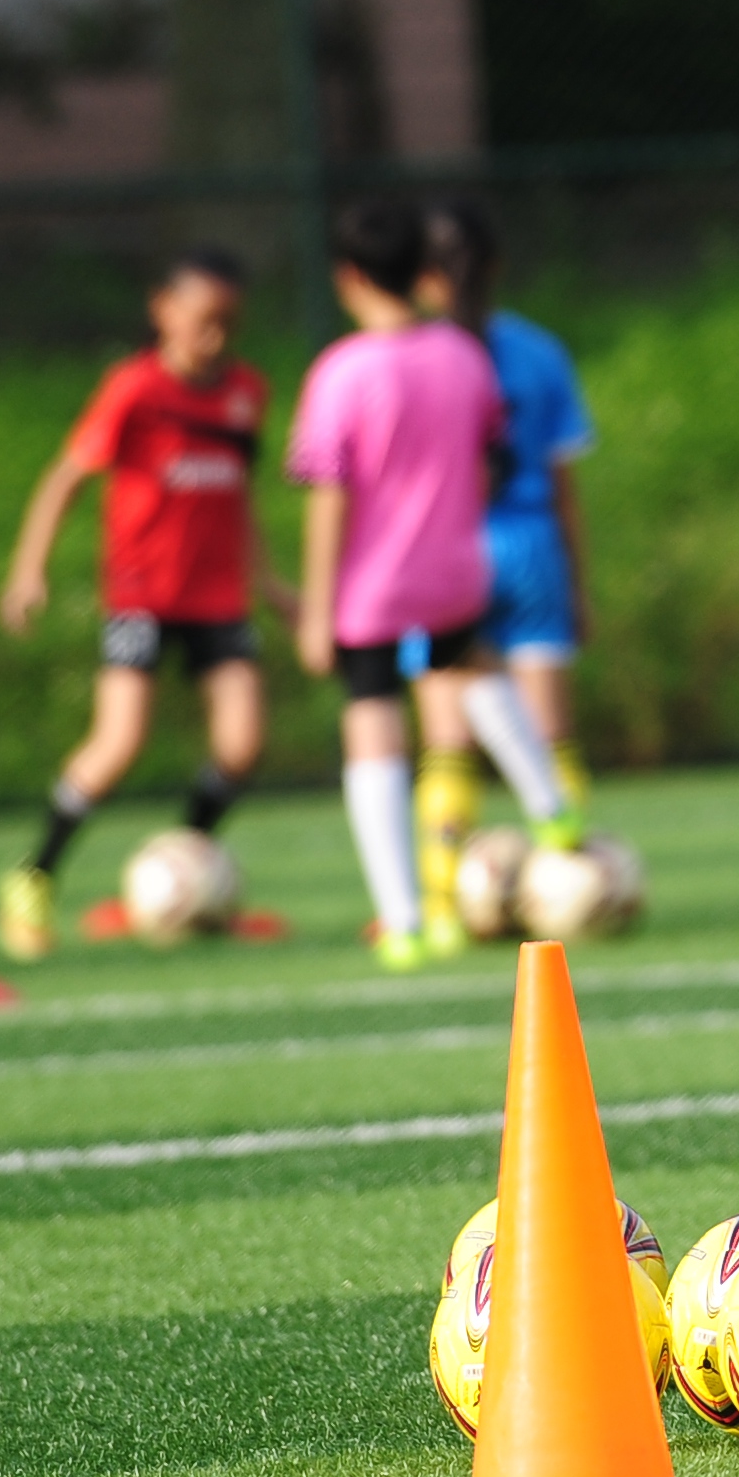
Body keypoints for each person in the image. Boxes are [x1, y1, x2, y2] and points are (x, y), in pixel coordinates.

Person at [286, 197, 558, 972]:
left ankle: (405, 922)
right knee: (474, 671)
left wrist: (317, 608)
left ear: (346, 278)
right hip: (453, 571)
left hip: (373, 588)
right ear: (424, 272)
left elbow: (329, 496)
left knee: (374, 729)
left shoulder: (341, 372)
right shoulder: (462, 357)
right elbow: (487, 455)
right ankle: (553, 809)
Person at [0, 247, 278, 962]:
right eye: (204, 320)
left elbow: (238, 496)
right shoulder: (135, 390)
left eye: (230, 322)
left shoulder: (246, 393)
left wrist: (270, 581)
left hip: (217, 599)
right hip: (143, 596)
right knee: (118, 743)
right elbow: (67, 478)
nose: (217, 336)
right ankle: (35, 875)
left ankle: (185, 868)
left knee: (242, 743)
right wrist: (29, 570)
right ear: (163, 311)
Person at [407, 197, 600, 942]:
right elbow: (563, 485)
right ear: (496, 267)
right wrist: (579, 583)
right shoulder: (538, 353)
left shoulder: (410, 361)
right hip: (529, 546)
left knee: (448, 739)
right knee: (549, 732)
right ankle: (569, 873)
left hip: (442, 553)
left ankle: (441, 906)